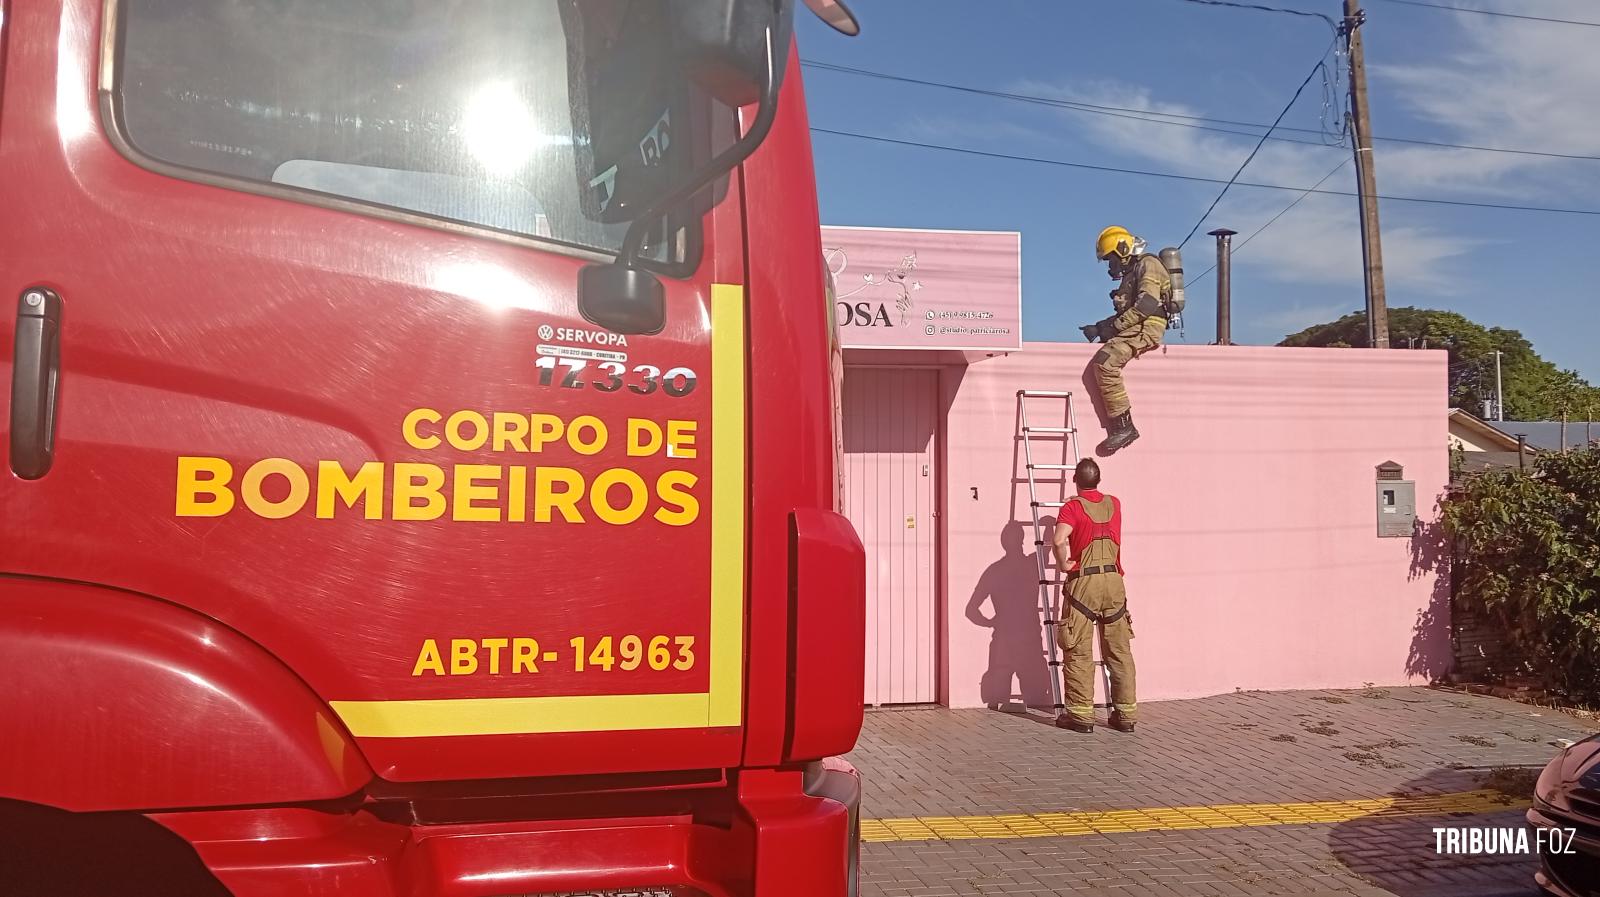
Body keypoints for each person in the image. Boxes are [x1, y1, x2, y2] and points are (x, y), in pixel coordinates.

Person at [1050, 458, 1136, 733]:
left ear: (1075, 479)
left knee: (1078, 650)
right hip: (1114, 583)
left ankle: (1081, 716)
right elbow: (1095, 506)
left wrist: (1064, 563)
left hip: (1084, 583)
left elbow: (1058, 539)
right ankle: (1125, 716)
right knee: (1119, 650)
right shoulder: (1115, 503)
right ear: (1098, 480)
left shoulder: (1071, 508)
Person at [1080, 226, 1172, 455]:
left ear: (1122, 250)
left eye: (1111, 260)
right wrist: (1100, 328)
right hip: (1140, 325)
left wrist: (1113, 328)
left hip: (1147, 328)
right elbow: (1128, 313)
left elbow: (1146, 305)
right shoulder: (1135, 270)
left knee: (1105, 362)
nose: (1110, 266)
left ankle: (1124, 426)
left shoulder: (1148, 265)